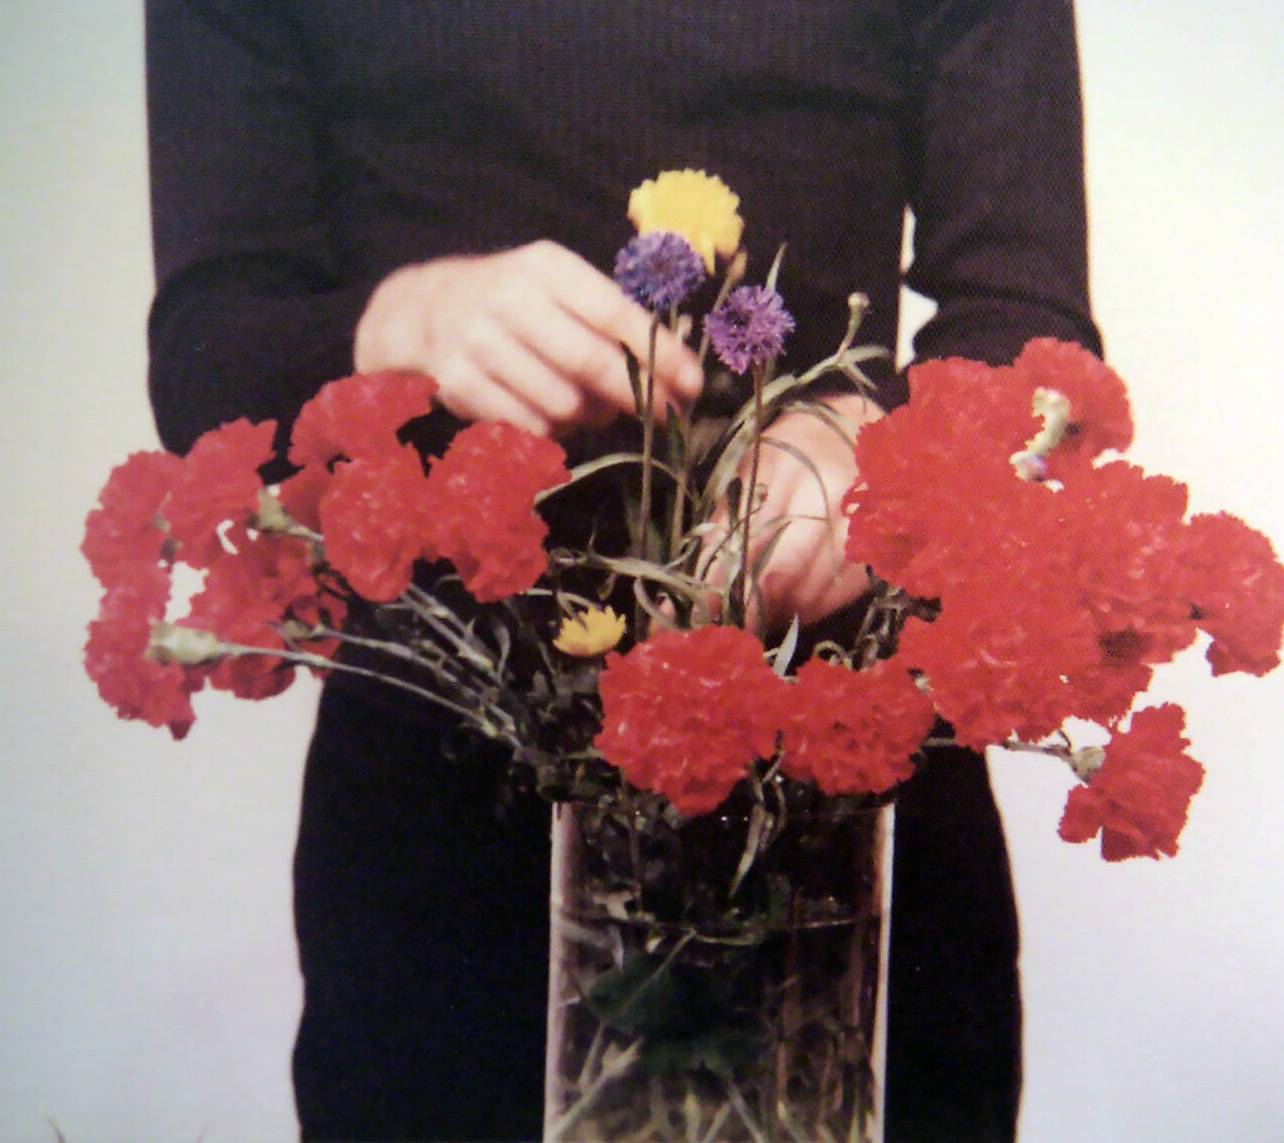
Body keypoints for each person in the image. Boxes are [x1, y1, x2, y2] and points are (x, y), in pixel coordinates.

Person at [145, 3, 1101, 1139]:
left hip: (838, 786)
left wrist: (882, 447)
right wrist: (401, 321)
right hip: (445, 828)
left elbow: (1028, 321)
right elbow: (209, 355)